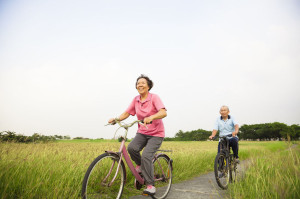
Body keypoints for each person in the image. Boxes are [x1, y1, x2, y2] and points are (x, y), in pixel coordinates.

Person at [108, 74, 167, 196]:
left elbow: (163, 112)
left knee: (146, 155)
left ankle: (150, 185)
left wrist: (152, 117)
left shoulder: (154, 98)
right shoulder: (136, 100)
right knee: (132, 148)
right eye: (138, 83)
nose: (140, 85)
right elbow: (127, 113)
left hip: (156, 134)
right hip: (142, 132)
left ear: (148, 86)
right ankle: (140, 165)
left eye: (143, 83)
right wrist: (116, 119)